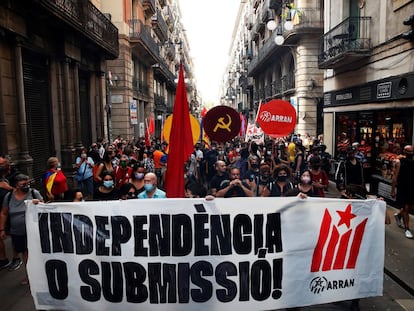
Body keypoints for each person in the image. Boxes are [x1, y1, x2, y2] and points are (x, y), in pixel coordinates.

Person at [0, 174, 43, 284]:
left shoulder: (34, 193)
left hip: (33, 230)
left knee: (30, 253)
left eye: (28, 183)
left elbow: (44, 207)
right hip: (17, 231)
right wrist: (2, 229)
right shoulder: (9, 197)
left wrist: (38, 204)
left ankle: (34, 275)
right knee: (25, 253)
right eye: (23, 184)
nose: (26, 186)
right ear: (16, 185)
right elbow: (4, 213)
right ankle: (30, 275)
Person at [391, 145, 414, 239]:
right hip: (403, 187)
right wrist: (393, 190)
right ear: (405, 152)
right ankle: (407, 228)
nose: (411, 154)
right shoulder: (399, 162)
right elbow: (394, 177)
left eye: (412, 152)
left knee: (411, 207)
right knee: (406, 208)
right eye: (409, 152)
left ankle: (399, 215)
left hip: (412, 187)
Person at [0, 155, 14, 269]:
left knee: (14, 235)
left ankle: (14, 257)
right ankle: (3, 259)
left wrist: (9, 188)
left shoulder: (9, 180)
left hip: (8, 213)